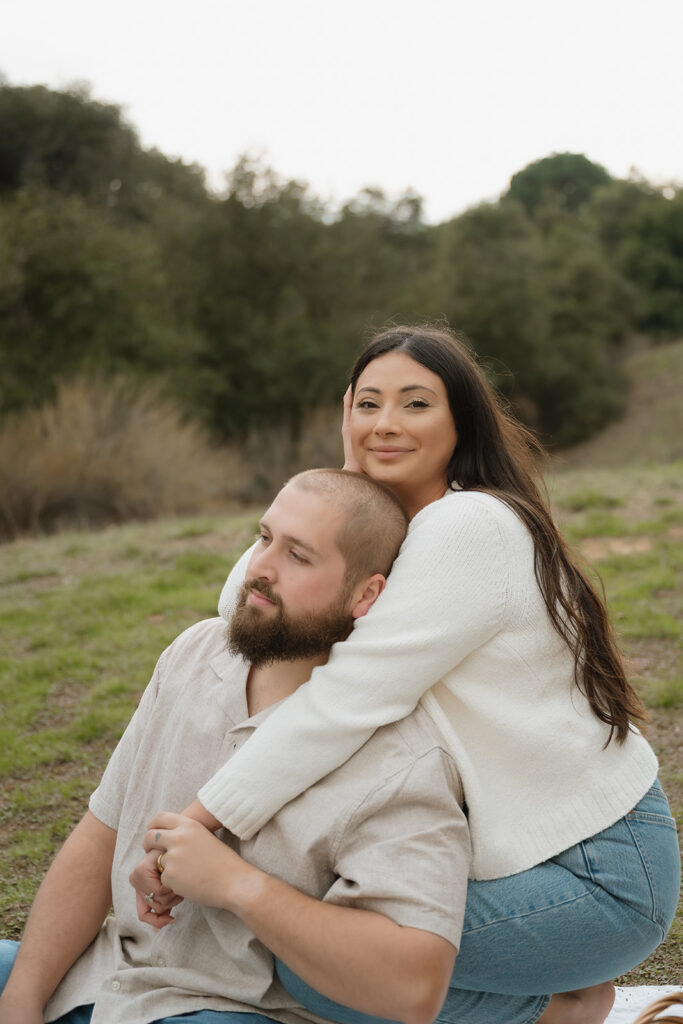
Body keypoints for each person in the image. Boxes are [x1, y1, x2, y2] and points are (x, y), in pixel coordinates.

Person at [138, 325, 680, 1024]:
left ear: (460, 421)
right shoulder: (394, 526)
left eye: (415, 404)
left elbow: (346, 699)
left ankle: (559, 1015)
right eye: (367, 405)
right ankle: (554, 1003)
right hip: (517, 859)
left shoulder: (469, 526)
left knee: (319, 964)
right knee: (312, 945)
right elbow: (241, 606)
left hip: (596, 875)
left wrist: (199, 823)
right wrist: (345, 481)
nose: (386, 423)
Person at [0, 469, 471, 1024]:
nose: (260, 568)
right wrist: (21, 1002)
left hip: (232, 1010)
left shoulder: (400, 757)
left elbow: (414, 987)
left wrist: (237, 886)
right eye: (264, 537)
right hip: (103, 977)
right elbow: (101, 833)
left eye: (298, 556)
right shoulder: (197, 652)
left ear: (365, 594)